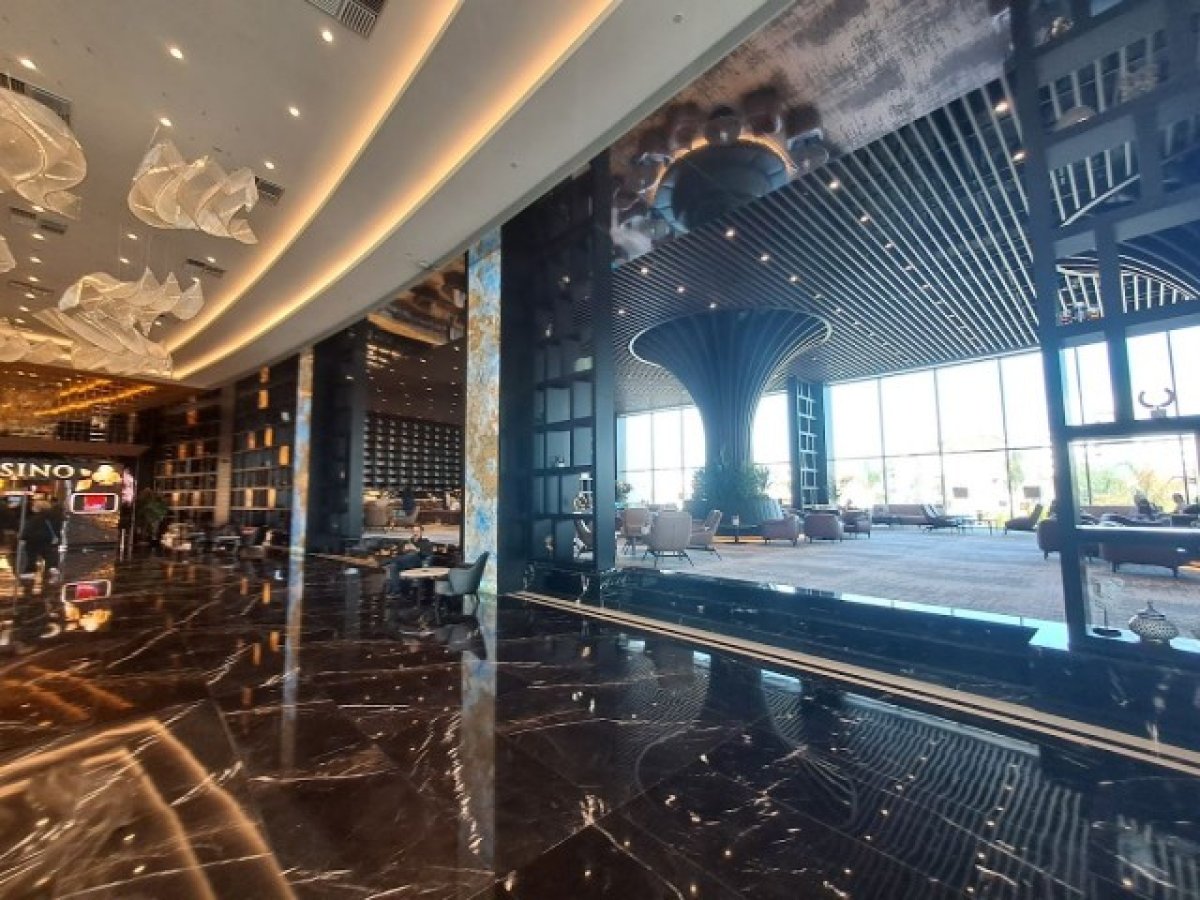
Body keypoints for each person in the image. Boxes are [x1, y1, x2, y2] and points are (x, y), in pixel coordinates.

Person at [20, 499, 62, 583]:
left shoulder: (35, 518)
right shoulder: (53, 517)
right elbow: (57, 528)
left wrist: (23, 538)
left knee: (31, 556)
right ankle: (52, 567)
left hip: (34, 540)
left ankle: (30, 571)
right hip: (48, 539)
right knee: (49, 554)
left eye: (34, 506)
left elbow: (28, 529)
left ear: (38, 508)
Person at [385, 525, 433, 595]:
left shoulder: (425, 542)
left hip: (417, 562)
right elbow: (399, 552)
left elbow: (427, 554)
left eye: (417, 531)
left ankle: (387, 561)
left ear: (421, 532)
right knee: (393, 566)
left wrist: (416, 549)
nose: (415, 533)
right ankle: (396, 590)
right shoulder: (407, 541)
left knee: (412, 555)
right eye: (414, 531)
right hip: (404, 562)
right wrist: (403, 549)